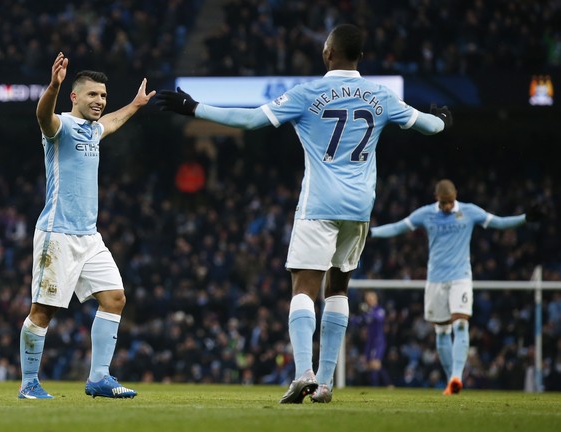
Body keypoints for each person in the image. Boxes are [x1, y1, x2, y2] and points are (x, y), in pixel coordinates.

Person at [155, 23, 452, 403]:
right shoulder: (381, 96)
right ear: (360, 56)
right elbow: (428, 126)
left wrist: (193, 107)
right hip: (360, 208)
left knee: (303, 288)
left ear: (328, 53)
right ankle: (325, 383)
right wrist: (443, 120)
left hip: (319, 206)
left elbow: (249, 120)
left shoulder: (309, 94)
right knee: (339, 288)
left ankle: (303, 373)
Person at [18, 52, 155, 399]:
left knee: (115, 298)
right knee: (43, 311)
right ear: (74, 96)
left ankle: (99, 378)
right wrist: (53, 85)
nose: (99, 101)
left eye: (103, 96)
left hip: (89, 237)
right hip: (57, 234)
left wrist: (135, 105)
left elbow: (112, 121)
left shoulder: (94, 130)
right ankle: (29, 384)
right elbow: (41, 115)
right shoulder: (60, 126)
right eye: (92, 95)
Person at [368, 178, 546, 395]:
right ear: (437, 199)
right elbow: (398, 227)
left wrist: (525, 218)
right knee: (442, 331)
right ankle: (450, 381)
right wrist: (373, 232)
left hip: (461, 277)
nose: (448, 207)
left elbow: (498, 222)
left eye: (451, 202)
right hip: (435, 280)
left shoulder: (469, 212)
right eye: (444, 203)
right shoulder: (425, 214)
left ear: (455, 197)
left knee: (461, 325)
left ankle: (456, 377)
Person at [351, 290, 391, 387]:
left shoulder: (379, 310)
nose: (369, 300)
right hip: (370, 342)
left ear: (376, 299)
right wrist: (350, 318)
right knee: (368, 365)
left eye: (371, 298)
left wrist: (368, 312)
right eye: (368, 299)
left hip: (378, 342)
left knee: (375, 364)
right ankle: (375, 387)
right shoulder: (366, 313)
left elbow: (379, 318)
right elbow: (358, 321)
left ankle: (389, 384)